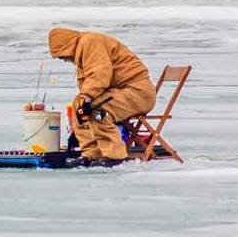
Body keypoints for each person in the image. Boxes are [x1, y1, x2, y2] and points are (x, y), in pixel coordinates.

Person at [47, 27, 156, 166]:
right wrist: (83, 106)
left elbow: (99, 75)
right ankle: (92, 153)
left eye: (63, 55)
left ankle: (114, 156)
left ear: (67, 45)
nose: (65, 59)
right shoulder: (83, 49)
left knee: (99, 111)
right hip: (121, 92)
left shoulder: (91, 42)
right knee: (78, 104)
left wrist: (86, 98)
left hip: (137, 92)